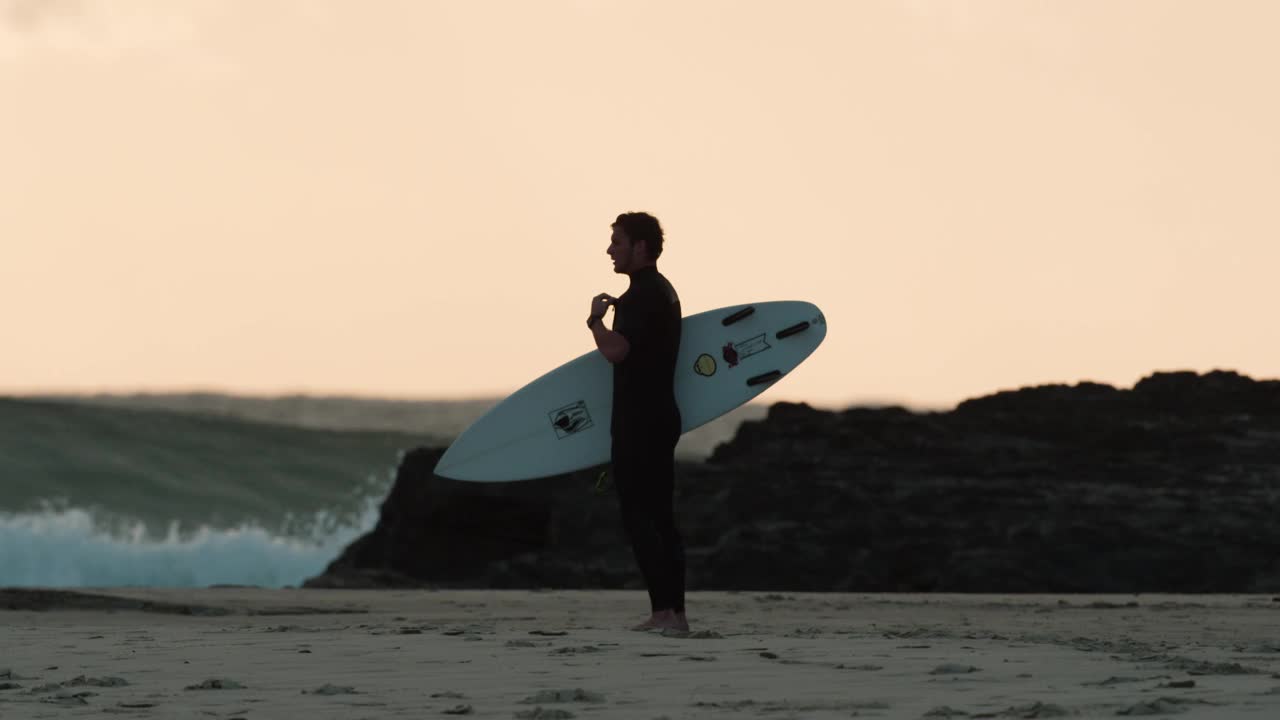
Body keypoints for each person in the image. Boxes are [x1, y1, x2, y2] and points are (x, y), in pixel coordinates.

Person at [587, 211, 687, 633]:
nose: (610, 249)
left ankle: (664, 614)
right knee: (661, 516)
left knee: (639, 516)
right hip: (661, 414)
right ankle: (673, 613)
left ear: (640, 247)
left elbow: (617, 351)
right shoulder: (664, 291)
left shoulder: (637, 297)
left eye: (617, 241)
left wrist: (594, 321)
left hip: (638, 421)